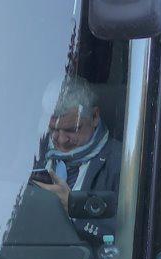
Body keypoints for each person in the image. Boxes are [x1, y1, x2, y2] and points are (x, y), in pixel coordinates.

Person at [32, 76, 121, 244]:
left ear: (94, 117)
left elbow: (127, 236)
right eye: (53, 129)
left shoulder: (121, 164)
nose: (61, 140)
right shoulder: (34, 152)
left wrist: (73, 208)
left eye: (71, 130)